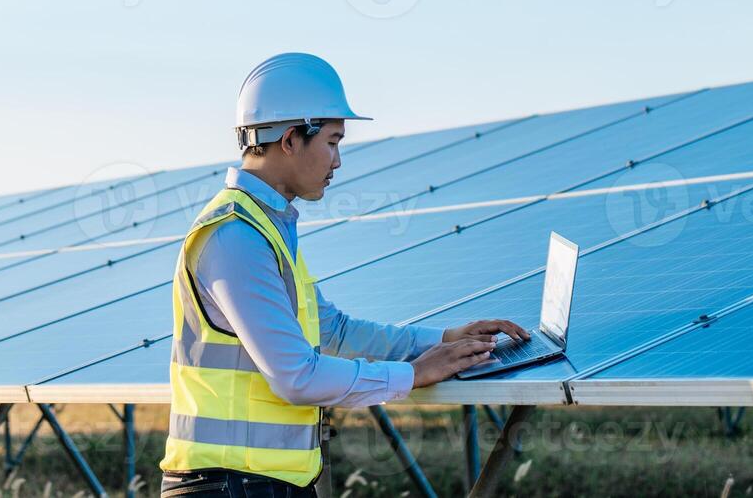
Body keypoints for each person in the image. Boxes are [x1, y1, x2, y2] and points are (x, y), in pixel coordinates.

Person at [159, 53, 530, 498]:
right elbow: (296, 377)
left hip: (258, 485)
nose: (338, 161)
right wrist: (411, 375)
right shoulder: (235, 236)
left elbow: (333, 330)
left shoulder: (266, 228)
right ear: (291, 138)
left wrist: (444, 338)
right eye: (333, 142)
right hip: (227, 487)